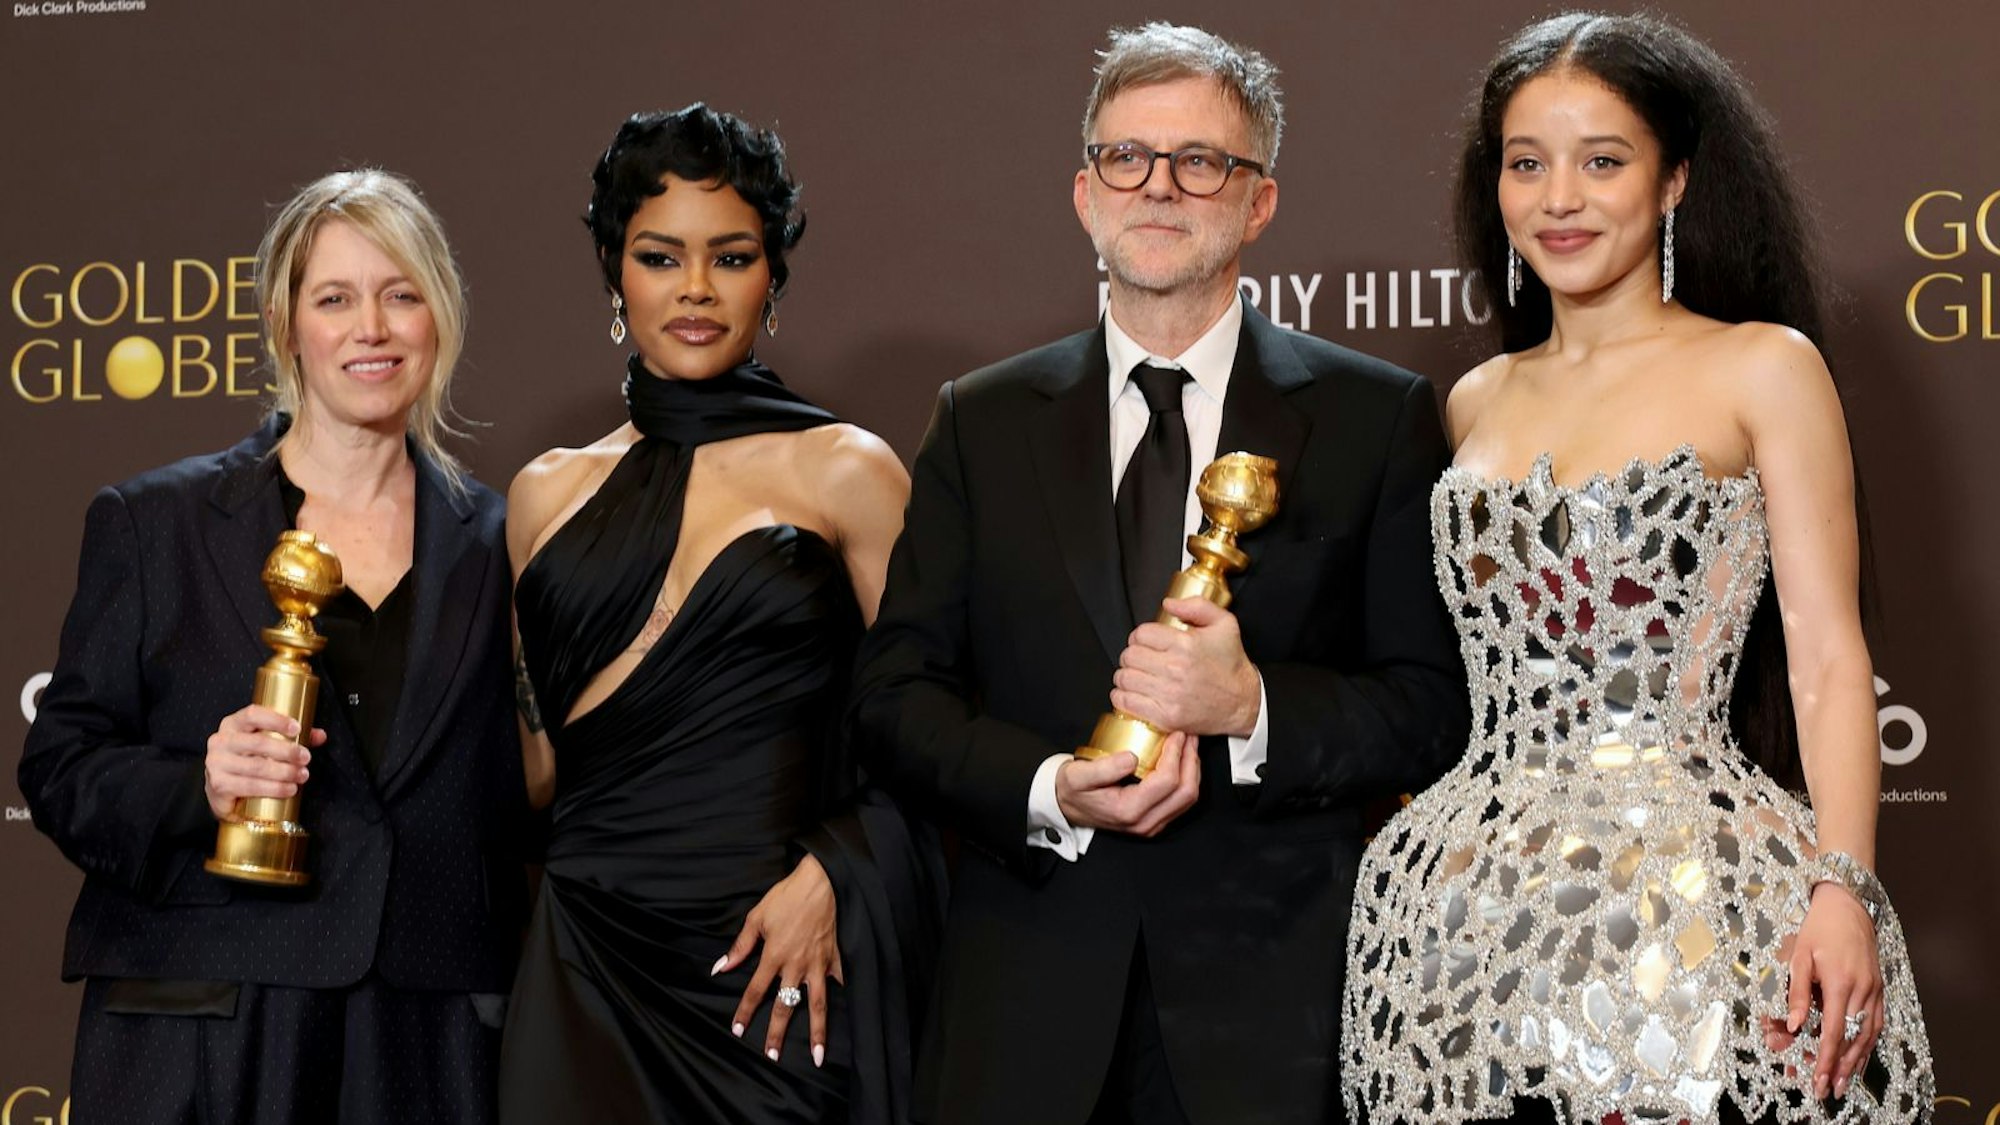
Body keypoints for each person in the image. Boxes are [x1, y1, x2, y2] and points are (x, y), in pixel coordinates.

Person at [851, 23, 1468, 1125]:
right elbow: (895, 699)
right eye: (1126, 158)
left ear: (1257, 202)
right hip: (1026, 996)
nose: (1159, 188)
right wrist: (1046, 786)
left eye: (1201, 162)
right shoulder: (978, 421)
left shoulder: (1375, 418)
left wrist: (1253, 708)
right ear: (1084, 192)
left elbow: (1432, 706)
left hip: (1275, 1008)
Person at [1339, 12, 1935, 1124]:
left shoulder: (1760, 367)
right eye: (1526, 164)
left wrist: (1839, 886)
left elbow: (1822, 658)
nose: (1557, 197)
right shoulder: (1475, 400)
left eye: (1599, 161)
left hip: (1689, 894)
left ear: (1671, 184)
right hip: (1476, 903)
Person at [18, 169, 529, 1123]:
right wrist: (196, 785)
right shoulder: (153, 522)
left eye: (401, 294)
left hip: (427, 1032)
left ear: (440, 317)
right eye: (335, 298)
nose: (370, 328)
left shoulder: (507, 543)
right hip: (210, 1023)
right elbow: (59, 764)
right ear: (286, 324)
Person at [497, 104, 944, 1124]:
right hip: (584, 963)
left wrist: (836, 870)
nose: (695, 290)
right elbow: (533, 769)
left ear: (772, 277)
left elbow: (926, 727)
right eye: (660, 257)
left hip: (771, 957)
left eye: (730, 257)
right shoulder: (542, 494)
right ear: (615, 272)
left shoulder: (847, 471)